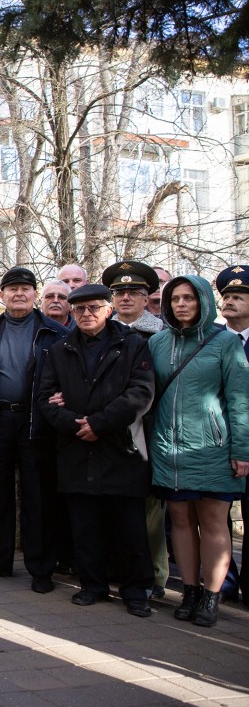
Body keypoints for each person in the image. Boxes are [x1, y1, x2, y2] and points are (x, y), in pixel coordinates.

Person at [37, 284, 156, 617]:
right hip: (77, 449)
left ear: (108, 309)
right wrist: (78, 425)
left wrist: (99, 423)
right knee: (85, 525)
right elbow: (45, 398)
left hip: (122, 448)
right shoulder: (60, 349)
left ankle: (135, 591)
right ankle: (93, 585)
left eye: (93, 308)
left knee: (129, 527)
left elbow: (140, 394)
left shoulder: (132, 345)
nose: (86, 314)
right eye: (79, 310)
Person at [149, 275, 249, 627]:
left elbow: (239, 400)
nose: (181, 304)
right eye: (175, 298)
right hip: (169, 447)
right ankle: (189, 590)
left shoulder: (225, 342)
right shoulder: (158, 342)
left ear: (203, 300)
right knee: (180, 520)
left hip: (214, 447)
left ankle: (211, 595)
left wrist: (242, 449)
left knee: (212, 522)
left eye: (189, 298)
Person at [0, 268, 67, 593]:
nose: (19, 294)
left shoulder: (53, 333)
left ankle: (41, 568)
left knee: (37, 496)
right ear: (1, 295)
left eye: (25, 289)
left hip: (35, 423)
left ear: (35, 294)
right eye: (12, 289)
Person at [102, 260, 168, 597]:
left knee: (150, 508)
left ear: (147, 298)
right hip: (107, 431)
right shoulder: (99, 330)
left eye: (134, 292)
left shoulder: (161, 335)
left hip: (149, 429)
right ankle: (118, 570)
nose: (126, 297)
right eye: (120, 292)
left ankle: (154, 576)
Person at [215, 265, 249, 605]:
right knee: (217, 517)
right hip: (219, 442)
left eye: (239, 296)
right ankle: (224, 580)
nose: (231, 301)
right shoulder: (212, 339)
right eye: (226, 296)